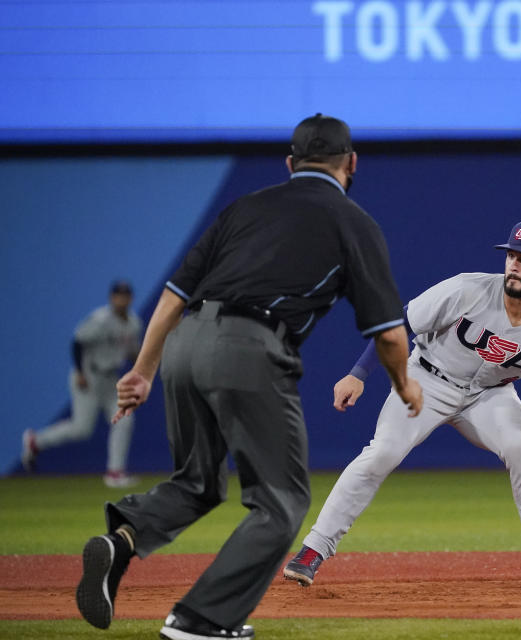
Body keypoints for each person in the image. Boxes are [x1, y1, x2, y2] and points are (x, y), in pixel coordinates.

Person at [74, 113, 423, 640]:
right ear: (352, 163)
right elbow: (391, 335)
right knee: (282, 502)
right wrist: (404, 384)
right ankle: (199, 620)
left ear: (290, 163)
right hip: (251, 348)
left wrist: (143, 371)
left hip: (185, 343)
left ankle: (122, 540)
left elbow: (173, 297)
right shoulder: (353, 222)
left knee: (196, 483)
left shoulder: (243, 208)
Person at [283, 220, 521, 595]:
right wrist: (359, 373)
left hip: (489, 395)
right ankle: (313, 550)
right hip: (426, 379)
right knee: (382, 452)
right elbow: (400, 322)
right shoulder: (467, 289)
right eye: (511, 255)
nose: (514, 264)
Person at [21, 280, 142, 488]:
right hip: (89, 375)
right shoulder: (100, 319)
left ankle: (115, 472)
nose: (121, 299)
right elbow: (78, 341)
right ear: (112, 298)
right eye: (118, 295)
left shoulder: (134, 323)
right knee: (81, 429)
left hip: (111, 377)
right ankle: (35, 441)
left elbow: (132, 352)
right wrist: (79, 372)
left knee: (125, 418)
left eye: (125, 295)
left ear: (130, 298)